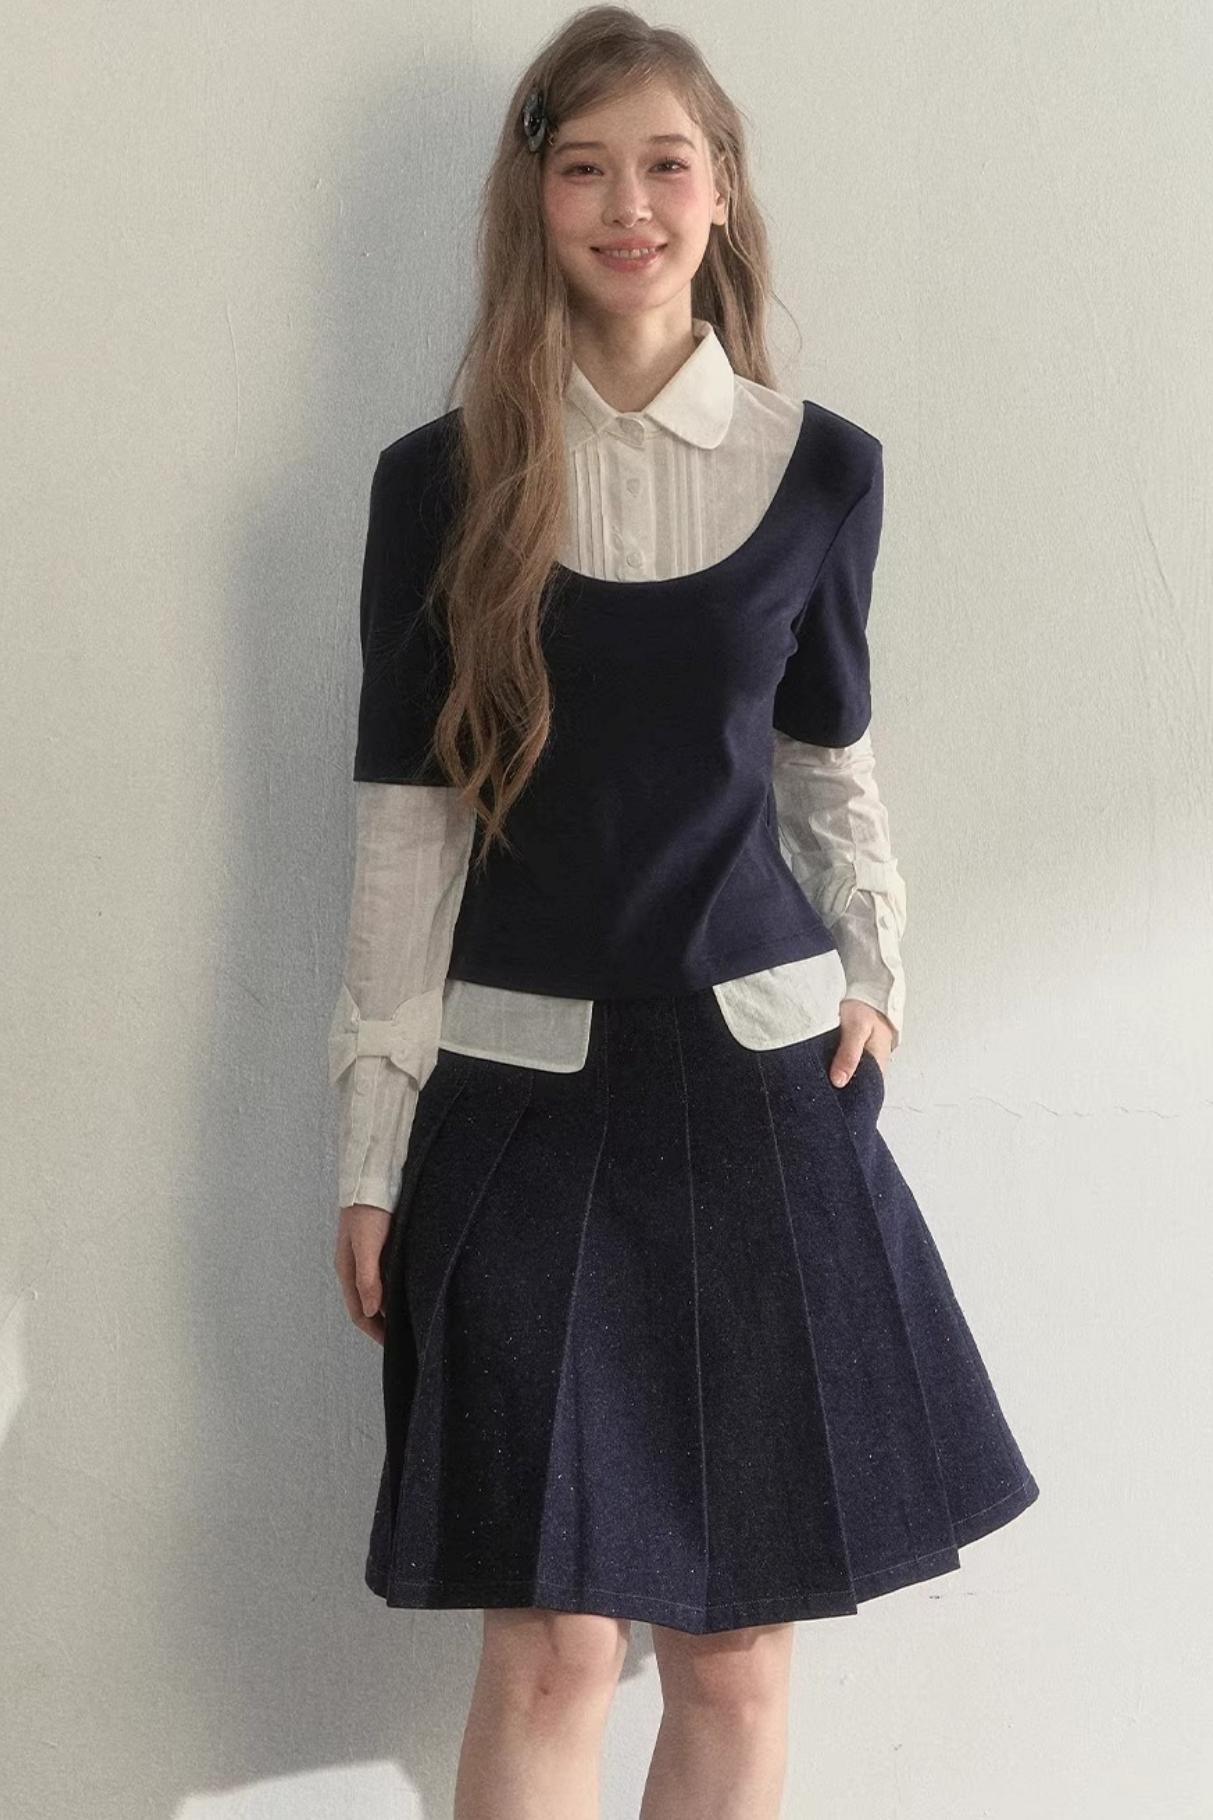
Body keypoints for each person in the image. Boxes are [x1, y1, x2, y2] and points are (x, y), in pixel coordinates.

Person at [328, 8, 1040, 1816]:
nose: (626, 204)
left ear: (721, 190)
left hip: (760, 1098)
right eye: (584, 168)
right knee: (552, 1644)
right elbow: (406, 833)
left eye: (663, 164)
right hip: (516, 1106)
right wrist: (371, 1149)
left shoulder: (823, 468)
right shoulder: (437, 486)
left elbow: (827, 766)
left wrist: (877, 975)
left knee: (732, 1651)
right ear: (535, 202)